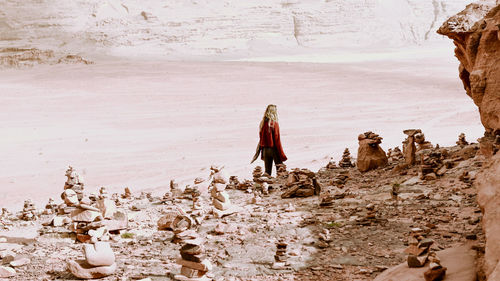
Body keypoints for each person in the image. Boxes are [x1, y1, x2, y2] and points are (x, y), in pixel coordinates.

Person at [252, 104, 287, 176]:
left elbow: (261, 138)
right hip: (273, 150)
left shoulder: (262, 124)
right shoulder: (274, 124)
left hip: (265, 150)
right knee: (280, 171)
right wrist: (282, 154)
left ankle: (265, 186)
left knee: (267, 172)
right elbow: (277, 140)